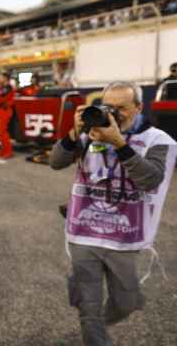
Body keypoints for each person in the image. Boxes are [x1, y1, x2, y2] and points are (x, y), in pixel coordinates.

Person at [49, 82, 176, 346]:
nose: (115, 114)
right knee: (89, 306)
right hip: (84, 233)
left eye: (122, 108)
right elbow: (55, 162)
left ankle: (95, 321)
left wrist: (118, 142)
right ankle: (91, 322)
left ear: (139, 108)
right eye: (109, 107)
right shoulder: (88, 132)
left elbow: (150, 180)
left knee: (126, 302)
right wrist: (74, 132)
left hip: (124, 237)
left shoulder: (157, 140)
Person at [0, 72, 15, 158]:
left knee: (4, 132)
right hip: (0, 110)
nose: (0, 79)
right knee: (1, 132)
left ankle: (8, 151)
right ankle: (3, 150)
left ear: (5, 78)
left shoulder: (7, 87)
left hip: (4, 110)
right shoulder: (3, 87)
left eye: (1, 77)